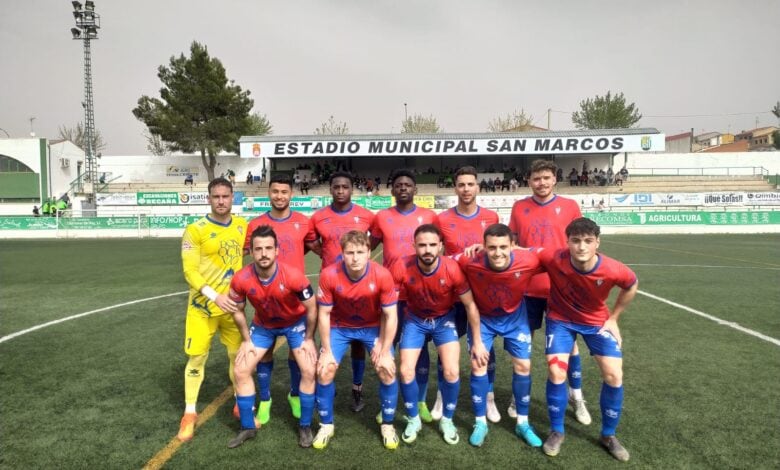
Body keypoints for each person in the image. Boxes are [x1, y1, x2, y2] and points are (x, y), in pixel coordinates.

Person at [537, 218, 638, 461]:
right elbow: (520, 252)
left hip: (596, 322)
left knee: (614, 375)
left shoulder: (613, 269)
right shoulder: (553, 258)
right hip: (560, 320)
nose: (582, 247)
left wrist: (614, 318)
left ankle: (608, 435)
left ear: (597, 243)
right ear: (567, 242)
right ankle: (557, 431)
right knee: (556, 372)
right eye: (576, 241)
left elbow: (631, 284)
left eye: (588, 241)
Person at [507, 159, 591, 424]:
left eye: (546, 178)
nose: (541, 183)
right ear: (529, 181)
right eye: (536, 178)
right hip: (528, 289)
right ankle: (518, 395)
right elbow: (512, 244)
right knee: (523, 343)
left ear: (555, 179)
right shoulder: (519, 207)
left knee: (570, 346)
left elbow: (581, 245)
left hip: (561, 289)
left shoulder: (570, 206)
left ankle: (576, 395)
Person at [226, 225, 318, 449]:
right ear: (251, 251)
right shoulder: (241, 278)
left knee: (308, 369)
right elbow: (237, 310)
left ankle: (305, 425)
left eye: (269, 248)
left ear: (277, 250)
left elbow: (312, 307)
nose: (264, 253)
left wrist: (308, 338)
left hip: (294, 324)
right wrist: (246, 340)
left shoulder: (294, 276)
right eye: (258, 249)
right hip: (263, 326)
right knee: (241, 370)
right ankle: (248, 426)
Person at [456, 223, 543, 448]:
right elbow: (443, 261)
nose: (498, 253)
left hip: (516, 319)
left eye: (503, 247)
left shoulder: (529, 261)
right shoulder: (469, 260)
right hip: (482, 319)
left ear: (513, 245)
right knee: (478, 366)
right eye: (492, 247)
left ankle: (523, 423)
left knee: (523, 367)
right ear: (483, 247)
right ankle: (480, 422)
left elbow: (555, 259)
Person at [391, 224, 478, 446]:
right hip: (415, 320)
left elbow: (470, 305)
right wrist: (384, 343)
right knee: (405, 370)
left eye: (432, 245)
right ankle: (413, 419)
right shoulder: (401, 266)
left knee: (451, 371)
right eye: (422, 245)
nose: (427, 250)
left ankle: (447, 420)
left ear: (440, 246)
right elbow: (388, 306)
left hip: (444, 320)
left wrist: (476, 341)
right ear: (414, 246)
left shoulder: (452, 268)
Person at [313, 230, 400, 450]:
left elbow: (390, 315)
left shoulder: (382, 275)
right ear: (342, 253)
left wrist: (384, 346)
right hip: (339, 327)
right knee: (325, 369)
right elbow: (323, 314)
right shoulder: (329, 274)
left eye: (360, 252)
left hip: (371, 327)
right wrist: (326, 349)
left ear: (370, 252)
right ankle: (326, 425)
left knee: (386, 368)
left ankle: (388, 425)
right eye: (350, 252)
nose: (355, 257)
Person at [243, 173, 316, 426]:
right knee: (264, 354)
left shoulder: (303, 222)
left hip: (294, 303)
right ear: (269, 193)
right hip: (265, 305)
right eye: (275, 191)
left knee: (297, 355)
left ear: (291, 194)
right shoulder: (255, 224)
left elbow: (312, 247)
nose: (280, 196)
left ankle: (295, 394)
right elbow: (244, 253)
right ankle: (265, 399)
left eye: (284, 192)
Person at [178, 177, 247, 442]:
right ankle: (190, 412)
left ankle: (241, 401)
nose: (221, 201)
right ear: (209, 198)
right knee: (196, 358)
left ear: (232, 198)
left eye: (225, 196)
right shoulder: (195, 230)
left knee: (236, 357)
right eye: (216, 196)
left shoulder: (242, 226)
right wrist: (214, 296)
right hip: (202, 309)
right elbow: (190, 271)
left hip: (233, 309)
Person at [433, 166, 501, 423]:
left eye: (470, 184)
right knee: (445, 347)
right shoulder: (442, 220)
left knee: (484, 347)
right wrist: (461, 257)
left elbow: (501, 251)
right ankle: (442, 393)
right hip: (452, 295)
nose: (466, 189)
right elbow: (437, 257)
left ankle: (489, 397)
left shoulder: (492, 217)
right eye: (461, 184)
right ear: (455, 188)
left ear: (478, 187)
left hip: (484, 295)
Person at [370, 169, 437, 421]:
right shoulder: (382, 217)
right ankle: (387, 402)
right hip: (390, 295)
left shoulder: (429, 216)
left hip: (421, 294)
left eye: (408, 184)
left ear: (415, 189)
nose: (403, 188)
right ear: (392, 190)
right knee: (387, 349)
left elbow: (439, 248)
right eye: (398, 184)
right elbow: (368, 248)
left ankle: (419, 401)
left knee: (420, 350)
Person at [306, 171, 375, 412]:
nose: (341, 191)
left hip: (359, 286)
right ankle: (327, 386)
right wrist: (329, 258)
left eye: (345, 186)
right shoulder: (318, 218)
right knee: (327, 332)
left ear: (351, 189)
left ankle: (357, 387)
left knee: (358, 338)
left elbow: (373, 240)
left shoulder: (366, 216)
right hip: (331, 286)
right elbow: (312, 243)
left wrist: (360, 258)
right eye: (336, 187)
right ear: (330, 189)